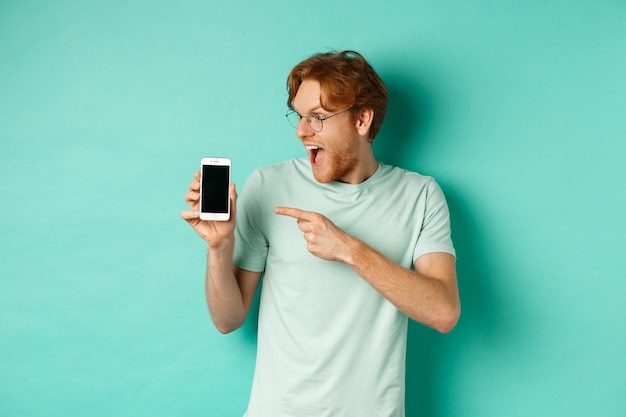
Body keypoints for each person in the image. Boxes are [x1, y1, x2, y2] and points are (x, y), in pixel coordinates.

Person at [181, 50, 460, 417]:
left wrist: (349, 249)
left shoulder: (420, 195)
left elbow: (443, 312)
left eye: (317, 117)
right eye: (298, 116)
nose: (301, 131)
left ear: (362, 119)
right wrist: (219, 247)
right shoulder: (269, 184)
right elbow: (227, 320)